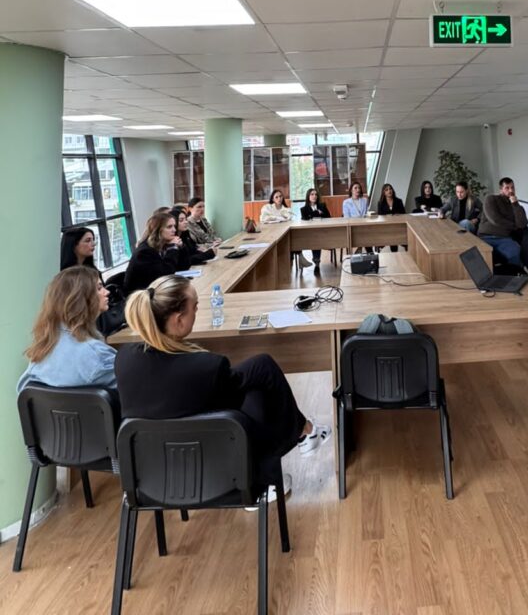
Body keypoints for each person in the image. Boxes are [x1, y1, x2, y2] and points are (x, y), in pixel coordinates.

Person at [115, 275, 330, 497]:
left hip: (151, 481)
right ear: (179, 320)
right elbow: (236, 400)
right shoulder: (206, 367)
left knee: (258, 370)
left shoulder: (123, 360)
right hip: (221, 475)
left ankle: (303, 432)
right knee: (257, 388)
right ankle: (270, 472)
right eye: (195, 307)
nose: (197, 311)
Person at [17, 266, 116, 392]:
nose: (107, 292)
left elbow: (24, 393)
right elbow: (132, 390)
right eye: (99, 288)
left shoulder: (43, 352)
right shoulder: (98, 356)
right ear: (80, 298)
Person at [60, 226, 126, 335]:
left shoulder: (92, 270)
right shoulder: (67, 277)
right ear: (74, 245)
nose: (93, 244)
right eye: (87, 241)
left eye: (93, 240)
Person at [123, 212, 189, 296]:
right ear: (157, 230)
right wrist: (172, 248)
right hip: (141, 297)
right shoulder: (144, 252)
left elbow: (184, 266)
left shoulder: (163, 244)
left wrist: (181, 247)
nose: (174, 230)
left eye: (174, 226)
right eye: (169, 227)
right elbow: (166, 274)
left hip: (157, 290)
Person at [478, 177, 528, 266]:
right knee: (480, 256)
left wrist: (515, 204)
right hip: (485, 237)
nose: (511, 190)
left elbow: (522, 224)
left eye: (512, 187)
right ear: (501, 190)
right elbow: (495, 220)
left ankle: (515, 273)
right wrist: (515, 226)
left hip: (504, 238)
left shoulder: (516, 206)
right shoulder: (491, 199)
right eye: (507, 188)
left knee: (515, 253)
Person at [262, 189, 311, 269]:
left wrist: (277, 218)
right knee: (289, 242)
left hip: (284, 233)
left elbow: (290, 218)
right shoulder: (267, 208)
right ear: (272, 199)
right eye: (276, 197)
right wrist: (278, 218)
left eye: (280, 196)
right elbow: (264, 218)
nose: (279, 198)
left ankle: (293, 262)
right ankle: (299, 258)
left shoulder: (286, 209)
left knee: (294, 238)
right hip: (272, 234)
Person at [300, 188, 330, 274]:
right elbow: (305, 219)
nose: (314, 196)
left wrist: (315, 214)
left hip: (323, 231)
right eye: (312, 194)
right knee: (315, 238)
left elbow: (329, 217)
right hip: (310, 233)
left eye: (316, 194)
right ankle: (317, 263)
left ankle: (317, 262)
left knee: (317, 238)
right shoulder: (303, 209)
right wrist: (317, 213)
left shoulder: (322, 206)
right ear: (308, 196)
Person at [343, 182, 373, 253]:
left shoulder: (364, 200)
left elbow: (366, 214)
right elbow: (346, 218)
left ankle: (368, 253)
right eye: (355, 188)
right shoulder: (346, 202)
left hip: (364, 227)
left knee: (366, 236)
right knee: (364, 238)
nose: (358, 190)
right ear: (351, 190)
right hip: (353, 227)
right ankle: (366, 252)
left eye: (359, 188)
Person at [377, 183, 405, 252]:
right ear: (383, 192)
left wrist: (397, 215)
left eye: (390, 189)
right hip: (386, 226)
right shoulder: (380, 203)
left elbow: (404, 214)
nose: (389, 191)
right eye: (386, 190)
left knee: (397, 237)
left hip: (398, 225)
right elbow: (380, 216)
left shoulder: (399, 201)